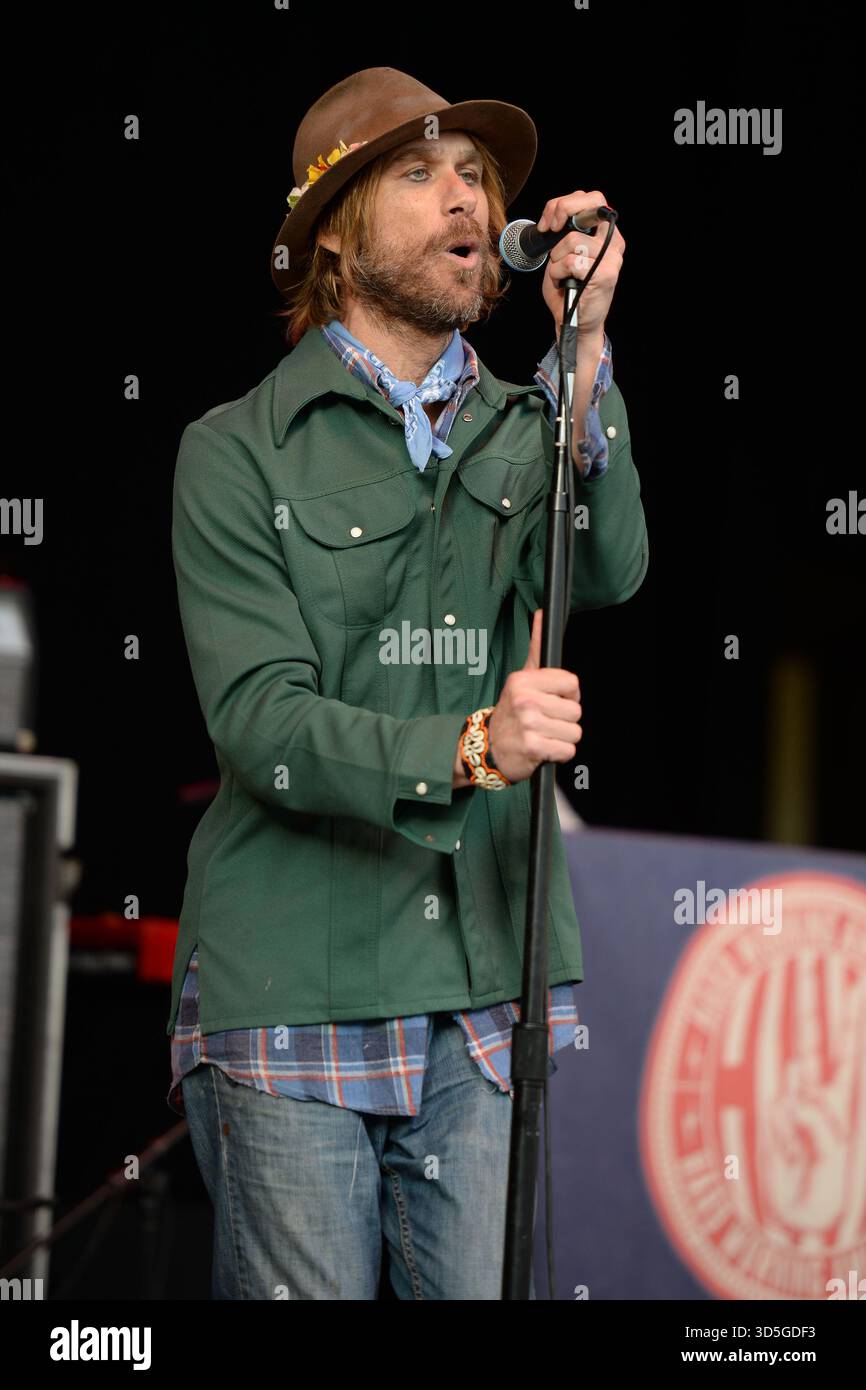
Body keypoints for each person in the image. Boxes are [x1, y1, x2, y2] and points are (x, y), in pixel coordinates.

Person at [166, 66, 647, 1300]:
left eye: (476, 177)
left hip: (482, 984)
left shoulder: (522, 419)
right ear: (330, 228)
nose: (465, 201)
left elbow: (608, 565)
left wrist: (581, 356)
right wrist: (474, 743)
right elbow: (259, 722)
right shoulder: (232, 451)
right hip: (294, 979)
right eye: (420, 173)